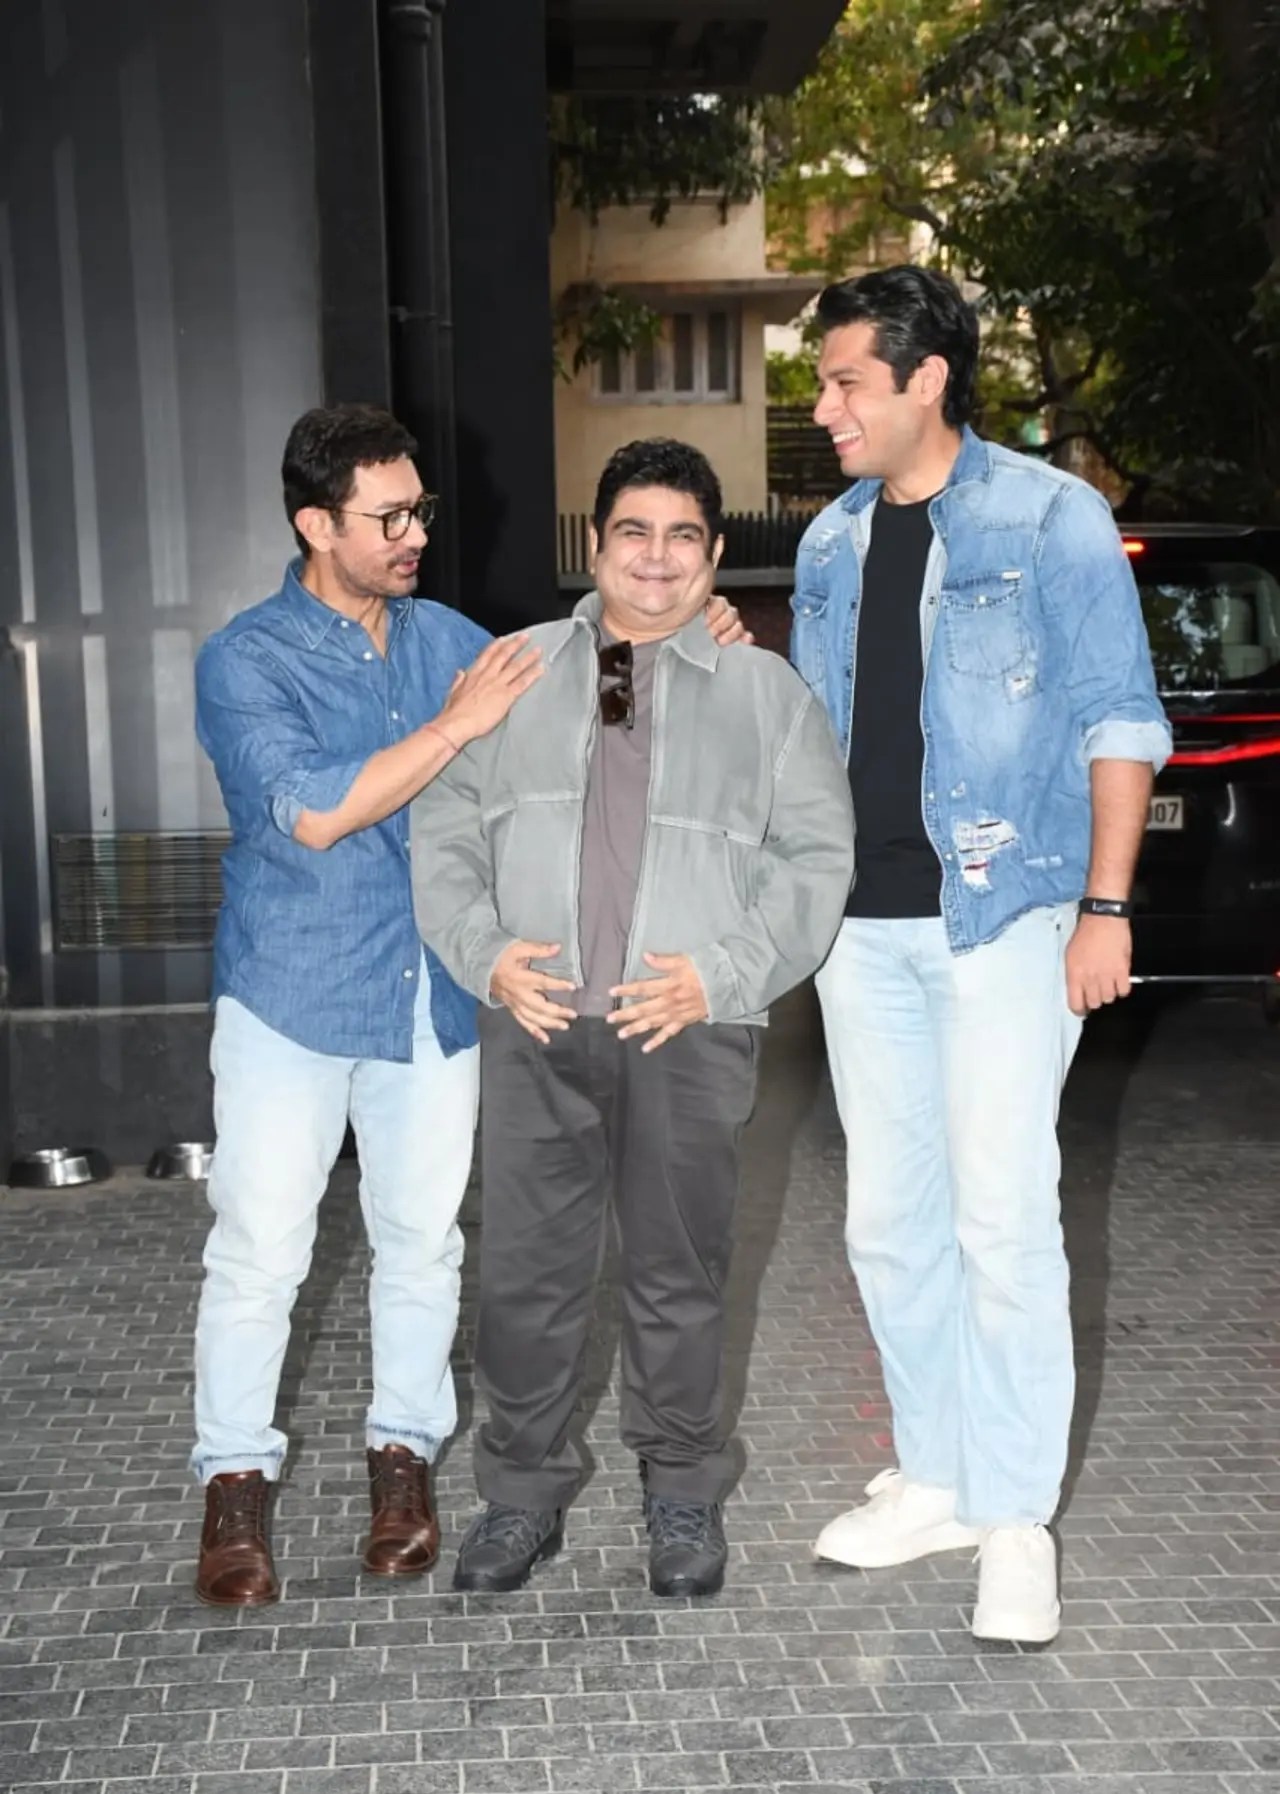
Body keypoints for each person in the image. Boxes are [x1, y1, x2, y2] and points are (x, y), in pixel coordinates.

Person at [191, 405, 750, 1608]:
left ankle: (404, 1465)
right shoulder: (244, 660)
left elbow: (607, 700)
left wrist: (687, 629)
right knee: (259, 1253)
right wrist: (457, 724)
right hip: (293, 994)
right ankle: (234, 1488)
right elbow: (317, 809)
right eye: (386, 517)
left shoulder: (450, 634)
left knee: (423, 1246)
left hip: (434, 1002)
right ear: (312, 524)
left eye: (419, 512)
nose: (412, 535)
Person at [792, 267, 1171, 1644]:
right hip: (862, 930)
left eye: (845, 382)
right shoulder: (830, 544)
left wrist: (1107, 909)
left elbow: (1121, 720)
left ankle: (1016, 1518)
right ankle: (939, 1476)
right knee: (888, 1222)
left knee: (1001, 1218)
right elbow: (818, 727)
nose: (823, 406)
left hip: (1006, 917)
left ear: (926, 379)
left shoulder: (1051, 517)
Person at [411, 438, 854, 1599]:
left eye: (682, 537)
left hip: (688, 1029)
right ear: (595, 544)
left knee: (679, 1275)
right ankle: (518, 1497)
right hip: (537, 1021)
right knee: (525, 1280)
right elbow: (445, 826)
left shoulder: (765, 693)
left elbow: (815, 859)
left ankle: (681, 1495)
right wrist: (483, 954)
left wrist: (724, 975)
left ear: (712, 556)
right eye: (631, 532)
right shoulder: (512, 671)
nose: (655, 558)